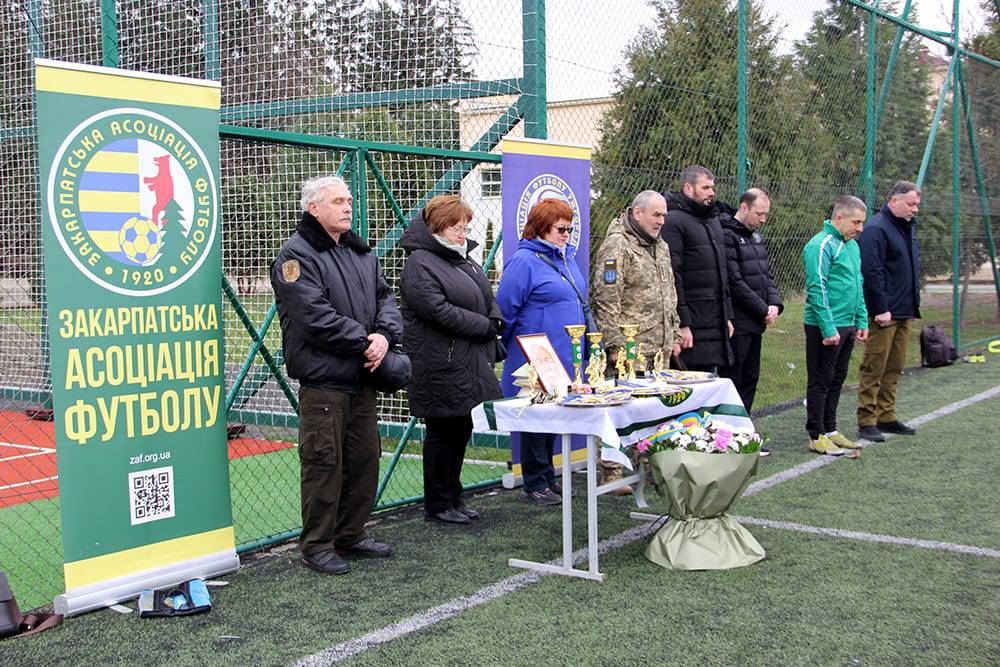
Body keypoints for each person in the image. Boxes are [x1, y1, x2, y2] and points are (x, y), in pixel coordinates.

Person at [271, 175, 403, 575]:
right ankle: (317, 545)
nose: (348, 207)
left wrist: (384, 336)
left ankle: (351, 533)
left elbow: (386, 298)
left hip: (363, 378)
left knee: (364, 460)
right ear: (314, 208)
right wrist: (366, 342)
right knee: (323, 464)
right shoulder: (296, 257)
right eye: (338, 201)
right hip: (325, 381)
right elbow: (313, 317)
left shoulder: (361, 253)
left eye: (349, 200)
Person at [399, 195, 503, 525]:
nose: (463, 233)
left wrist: (494, 320)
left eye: (465, 227)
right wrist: (483, 327)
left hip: (465, 359)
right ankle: (438, 502)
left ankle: (454, 495)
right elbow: (436, 310)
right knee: (442, 432)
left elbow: (487, 296)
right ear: (439, 228)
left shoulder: (463, 260)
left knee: (461, 428)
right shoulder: (420, 263)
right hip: (439, 362)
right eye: (457, 228)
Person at [496, 198, 587, 507]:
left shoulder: (566, 258)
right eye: (560, 228)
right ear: (541, 227)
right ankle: (535, 481)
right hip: (535, 353)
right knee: (535, 417)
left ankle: (548, 476)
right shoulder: (524, 261)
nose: (566, 234)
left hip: (563, 352)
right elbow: (506, 306)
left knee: (552, 416)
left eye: (569, 229)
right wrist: (509, 347)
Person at [592, 190, 681, 489]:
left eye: (664, 215)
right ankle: (612, 471)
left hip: (659, 346)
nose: (661, 221)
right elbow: (606, 298)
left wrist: (675, 331)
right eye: (656, 215)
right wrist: (616, 345)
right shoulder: (617, 245)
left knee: (653, 409)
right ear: (637, 213)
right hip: (630, 349)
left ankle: (650, 462)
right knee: (619, 409)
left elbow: (669, 292)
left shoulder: (661, 246)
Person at [802, 195, 870, 456]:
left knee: (837, 378)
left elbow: (858, 283)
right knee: (820, 379)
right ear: (839, 218)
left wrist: (861, 319)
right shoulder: (820, 245)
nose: (860, 228)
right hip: (823, 327)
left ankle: (830, 429)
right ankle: (816, 434)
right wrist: (828, 328)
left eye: (862, 222)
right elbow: (817, 288)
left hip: (848, 324)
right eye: (856, 222)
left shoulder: (852, 245)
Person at [857, 181, 922, 442]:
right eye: (911, 204)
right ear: (894, 201)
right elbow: (871, 272)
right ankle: (866, 420)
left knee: (894, 366)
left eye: (917, 204)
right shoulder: (876, 229)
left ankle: (887, 415)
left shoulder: (905, 227)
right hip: (885, 314)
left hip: (904, 311)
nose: (915, 209)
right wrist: (880, 308)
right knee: (874, 366)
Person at [661, 165, 734, 372]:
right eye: (706, 188)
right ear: (688, 189)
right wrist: (683, 324)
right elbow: (674, 276)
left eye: (712, 188)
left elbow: (721, 274)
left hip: (714, 321)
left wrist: (726, 316)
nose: (711, 193)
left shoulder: (712, 221)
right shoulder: (674, 222)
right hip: (692, 324)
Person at [719, 189, 783, 416]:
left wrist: (775, 304)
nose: (763, 220)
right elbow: (734, 282)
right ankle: (728, 431)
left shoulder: (756, 237)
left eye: (766, 214)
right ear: (744, 207)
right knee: (734, 378)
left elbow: (766, 275)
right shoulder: (726, 235)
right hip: (738, 322)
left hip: (756, 323)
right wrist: (762, 308)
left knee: (750, 377)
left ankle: (745, 429)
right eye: (759, 214)